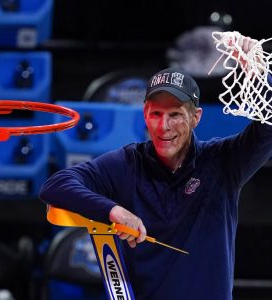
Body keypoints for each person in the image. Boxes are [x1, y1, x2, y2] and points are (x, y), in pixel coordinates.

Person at [39, 36, 272, 300]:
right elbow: (55, 186)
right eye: (156, 114)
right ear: (144, 115)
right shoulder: (127, 163)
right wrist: (114, 211)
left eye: (175, 115)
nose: (164, 127)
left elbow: (267, 130)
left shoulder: (222, 161)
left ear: (196, 118)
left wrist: (260, 73)